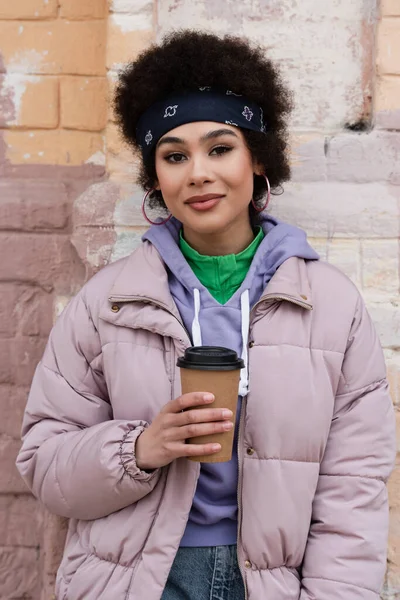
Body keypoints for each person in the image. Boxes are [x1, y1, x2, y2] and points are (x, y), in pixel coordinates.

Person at [16, 30, 396, 600]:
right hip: (133, 582)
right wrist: (140, 448)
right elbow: (45, 465)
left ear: (258, 159)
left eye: (220, 148)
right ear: (155, 179)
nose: (197, 173)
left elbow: (354, 488)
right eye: (174, 156)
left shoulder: (332, 307)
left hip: (269, 586)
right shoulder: (106, 304)